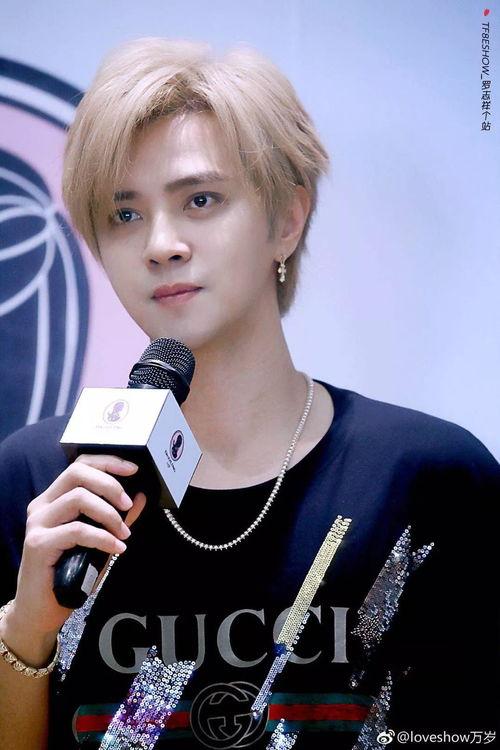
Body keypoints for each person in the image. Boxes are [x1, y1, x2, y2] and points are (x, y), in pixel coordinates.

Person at [0, 37, 498, 750]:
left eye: (200, 200)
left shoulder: (427, 479)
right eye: (124, 215)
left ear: (286, 220)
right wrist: (26, 631)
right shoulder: (41, 483)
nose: (161, 244)